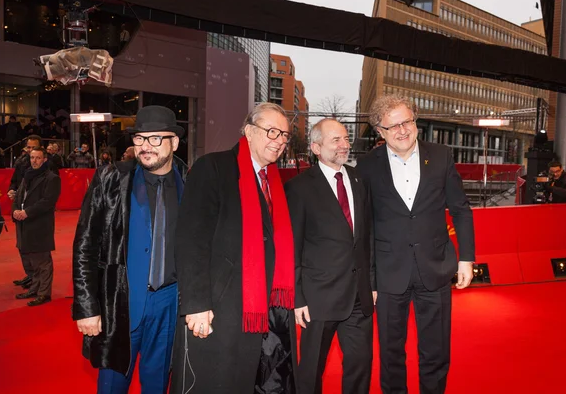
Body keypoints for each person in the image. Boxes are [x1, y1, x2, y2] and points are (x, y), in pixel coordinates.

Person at [171, 102, 297, 393]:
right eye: (272, 132)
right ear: (249, 131)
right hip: (217, 306)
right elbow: (192, 239)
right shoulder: (213, 167)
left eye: (285, 136)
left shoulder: (273, 180)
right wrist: (197, 304)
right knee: (210, 382)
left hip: (256, 309)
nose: (279, 141)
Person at [356, 93, 475, 394]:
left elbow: (460, 209)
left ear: (415, 121)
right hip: (387, 274)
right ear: (380, 132)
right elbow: (364, 227)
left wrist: (466, 259)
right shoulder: (367, 167)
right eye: (392, 126)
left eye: (406, 121)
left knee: (436, 352)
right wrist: (367, 279)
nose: (402, 130)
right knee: (391, 354)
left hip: (434, 269)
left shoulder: (441, 155)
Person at [72, 105, 187, 394]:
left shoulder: (190, 181)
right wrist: (87, 307)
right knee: (111, 385)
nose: (145, 146)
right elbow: (85, 243)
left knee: (158, 383)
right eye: (139, 139)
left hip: (169, 303)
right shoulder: (111, 178)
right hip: (119, 302)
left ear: (174, 142)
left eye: (155, 139)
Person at [285, 119, 375, 394]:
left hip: (359, 297)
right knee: (311, 369)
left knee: (360, 366)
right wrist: (298, 297)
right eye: (335, 140)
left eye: (345, 139)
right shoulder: (298, 188)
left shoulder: (359, 181)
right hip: (317, 298)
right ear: (316, 147)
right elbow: (292, 246)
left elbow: (366, 236)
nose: (344, 145)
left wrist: (372, 283)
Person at [11, 147, 61, 306]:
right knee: (29, 260)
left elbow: (47, 202)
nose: (34, 161)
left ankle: (44, 293)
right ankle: (34, 288)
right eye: (32, 157)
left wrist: (27, 212)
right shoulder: (26, 176)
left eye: (38, 158)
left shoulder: (52, 178)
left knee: (42, 261)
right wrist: (15, 211)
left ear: (45, 159)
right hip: (23, 224)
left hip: (40, 225)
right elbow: (18, 197)